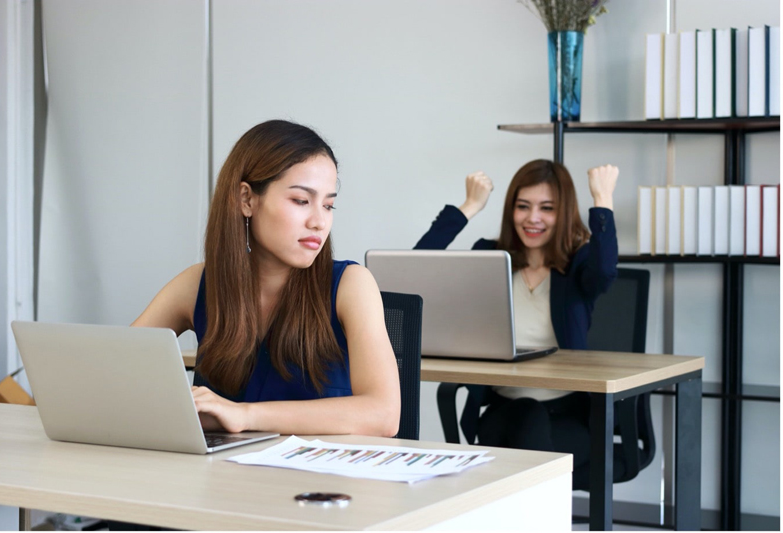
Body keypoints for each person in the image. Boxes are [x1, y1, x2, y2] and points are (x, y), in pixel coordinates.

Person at [133, 119, 401, 438]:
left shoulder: (351, 284)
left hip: (319, 481)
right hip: (219, 477)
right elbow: (115, 368)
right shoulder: (198, 283)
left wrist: (244, 415)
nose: (319, 221)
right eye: (301, 201)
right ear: (247, 200)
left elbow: (383, 415)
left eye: (328, 205)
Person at [415, 159, 619, 486]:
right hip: (501, 412)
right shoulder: (490, 257)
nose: (533, 218)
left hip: (567, 416)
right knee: (525, 422)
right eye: (523, 206)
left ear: (563, 212)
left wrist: (603, 199)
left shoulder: (580, 266)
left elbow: (606, 270)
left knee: (528, 432)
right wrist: (469, 206)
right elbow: (417, 268)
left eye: (547, 208)